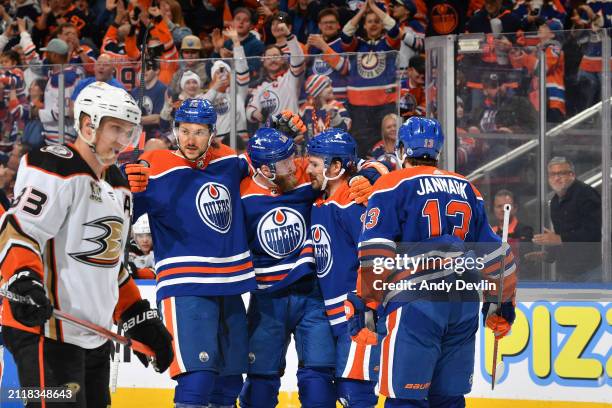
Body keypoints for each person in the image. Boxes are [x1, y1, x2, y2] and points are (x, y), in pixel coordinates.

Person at [0, 81, 173, 407]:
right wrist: (24, 279)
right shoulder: (54, 165)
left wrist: (137, 316)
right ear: (87, 124)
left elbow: (109, 266)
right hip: (46, 329)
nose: (123, 140)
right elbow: (19, 230)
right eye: (115, 129)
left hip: (93, 336)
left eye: (129, 131)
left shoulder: (119, 186)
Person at [347, 116, 517, 406]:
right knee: (449, 398)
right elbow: (496, 253)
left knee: (405, 398)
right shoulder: (467, 188)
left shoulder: (391, 183)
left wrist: (366, 304)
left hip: (415, 302)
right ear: (437, 151)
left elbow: (376, 250)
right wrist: (501, 304)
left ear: (402, 149)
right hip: (463, 304)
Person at [128, 98, 256, 408]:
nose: (190, 139)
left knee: (229, 382)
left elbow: (272, 170)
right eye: (184, 130)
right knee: (196, 380)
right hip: (185, 286)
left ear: (213, 133)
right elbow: (121, 210)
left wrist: (367, 172)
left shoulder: (230, 161)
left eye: (199, 132)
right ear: (175, 130)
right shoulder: (155, 165)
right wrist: (124, 182)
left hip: (230, 286)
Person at [307, 129, 380, 407]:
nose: (308, 170)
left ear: (335, 167)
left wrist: (369, 309)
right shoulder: (321, 203)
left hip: (359, 315)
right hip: (336, 317)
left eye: (315, 164)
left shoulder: (353, 204)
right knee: (344, 390)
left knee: (355, 391)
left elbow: (375, 258)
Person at [340, 0, 401, 156]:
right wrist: (362, 12)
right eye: (369, 22)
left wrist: (373, 7)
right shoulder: (357, 45)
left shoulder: (387, 44)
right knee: (360, 143)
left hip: (385, 104)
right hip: (358, 105)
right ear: (364, 25)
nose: (373, 25)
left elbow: (394, 29)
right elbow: (345, 34)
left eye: (377, 22)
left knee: (387, 139)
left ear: (382, 25)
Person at [526, 157, 602, 282]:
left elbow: (593, 232)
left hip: (590, 271)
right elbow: (561, 237)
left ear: (572, 174)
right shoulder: (555, 201)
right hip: (567, 271)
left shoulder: (586, 194)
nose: (557, 178)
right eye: (553, 174)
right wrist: (549, 255)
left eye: (561, 173)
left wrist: (560, 239)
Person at [246, 22, 305, 126]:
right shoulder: (259, 86)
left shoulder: (291, 78)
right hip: (268, 136)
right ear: (263, 62)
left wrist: (289, 35)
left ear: (283, 60)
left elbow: (298, 60)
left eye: (276, 56)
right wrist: (255, 113)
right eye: (269, 57)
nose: (272, 60)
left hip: (290, 133)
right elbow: (250, 108)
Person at [299, 74, 351, 140]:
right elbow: (298, 129)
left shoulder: (336, 106)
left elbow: (346, 128)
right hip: (311, 148)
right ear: (317, 92)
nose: (331, 88)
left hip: (332, 148)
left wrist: (334, 115)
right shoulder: (306, 108)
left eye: (331, 85)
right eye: (327, 86)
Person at [128, 214, 156, 280]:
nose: (145, 240)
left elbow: (159, 273)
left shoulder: (160, 251)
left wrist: (136, 272)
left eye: (149, 235)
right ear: (135, 237)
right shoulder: (127, 251)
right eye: (140, 236)